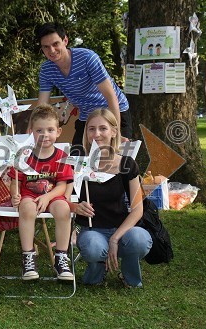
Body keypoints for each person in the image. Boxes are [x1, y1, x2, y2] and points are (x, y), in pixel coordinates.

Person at [74, 108, 152, 288]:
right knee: (93, 247)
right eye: (91, 129)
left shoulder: (126, 164)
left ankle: (130, 276)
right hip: (92, 231)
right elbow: (64, 198)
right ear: (86, 132)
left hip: (123, 229)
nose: (97, 134)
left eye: (103, 128)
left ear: (114, 132)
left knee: (140, 239)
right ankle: (97, 272)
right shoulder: (78, 163)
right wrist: (75, 206)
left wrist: (115, 239)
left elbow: (138, 208)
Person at [35, 22, 132, 152]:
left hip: (113, 111)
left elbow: (111, 96)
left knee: (115, 160)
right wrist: (35, 132)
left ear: (65, 41)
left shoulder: (87, 58)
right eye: (46, 47)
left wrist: (117, 132)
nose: (51, 50)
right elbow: (42, 107)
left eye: (55, 44)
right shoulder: (46, 70)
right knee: (77, 159)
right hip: (87, 115)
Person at [8, 104, 74, 281]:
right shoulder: (23, 155)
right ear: (31, 131)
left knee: (63, 209)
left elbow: (62, 185)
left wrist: (47, 197)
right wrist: (14, 195)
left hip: (52, 196)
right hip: (29, 195)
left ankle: (61, 257)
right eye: (39, 130)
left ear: (58, 131)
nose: (45, 135)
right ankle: (28, 256)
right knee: (27, 209)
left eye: (50, 129)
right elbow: (15, 180)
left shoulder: (61, 156)